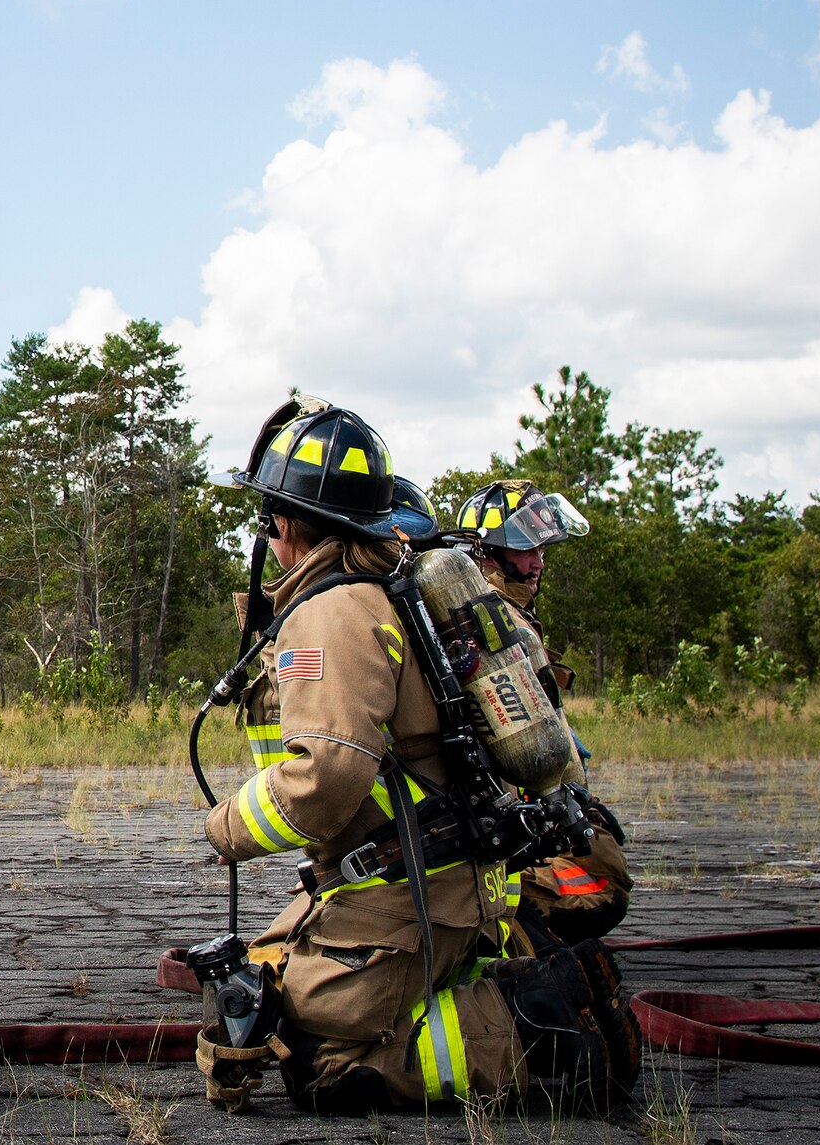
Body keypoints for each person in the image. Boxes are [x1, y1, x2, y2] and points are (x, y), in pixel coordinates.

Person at [199, 398, 638, 1115]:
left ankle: (543, 1025)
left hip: (407, 899)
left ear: (281, 519)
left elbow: (327, 778)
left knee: (313, 1054)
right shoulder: (395, 588)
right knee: (269, 972)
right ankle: (505, 979)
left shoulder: (331, 611)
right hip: (451, 885)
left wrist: (226, 828)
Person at [458, 480, 634, 947]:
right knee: (605, 883)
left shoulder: (484, 617)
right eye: (524, 549)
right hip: (501, 839)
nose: (537, 562)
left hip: (500, 825)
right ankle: (509, 937)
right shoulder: (504, 631)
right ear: (488, 553)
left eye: (540, 548)